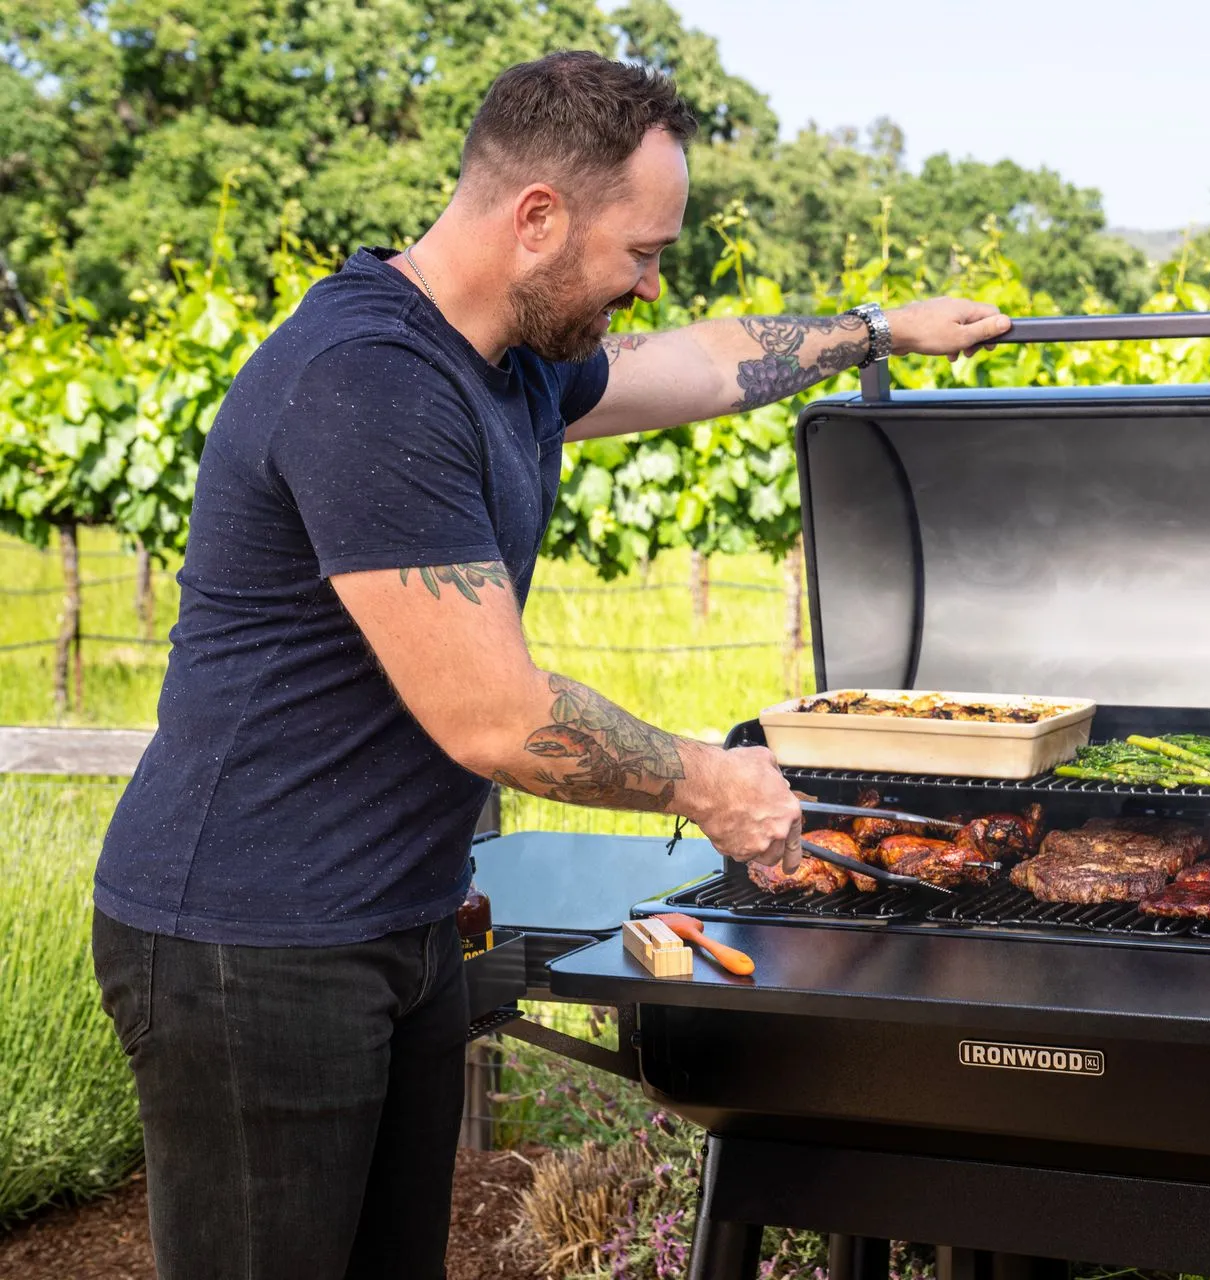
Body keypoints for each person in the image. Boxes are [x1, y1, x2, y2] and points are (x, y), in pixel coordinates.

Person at [91, 50, 1010, 1279]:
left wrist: (878, 331)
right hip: (250, 938)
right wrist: (711, 781)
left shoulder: (509, 358)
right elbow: (498, 718)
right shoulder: (371, 383)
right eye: (639, 251)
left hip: (393, 916)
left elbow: (685, 362)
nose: (650, 279)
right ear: (538, 219)